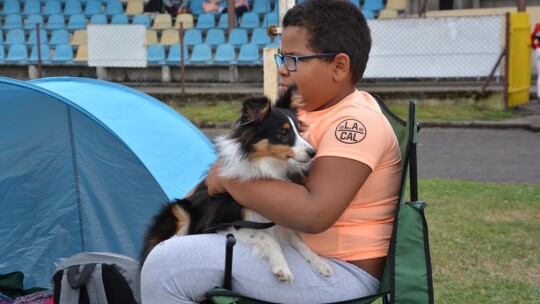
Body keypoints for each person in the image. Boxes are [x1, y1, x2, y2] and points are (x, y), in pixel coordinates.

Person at [140, 0, 402, 303]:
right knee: (165, 250)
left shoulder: (357, 123)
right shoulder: (307, 114)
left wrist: (228, 179)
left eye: (293, 59)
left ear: (339, 66)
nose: (281, 68)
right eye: (282, 57)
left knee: (168, 266)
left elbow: (314, 213)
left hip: (338, 273)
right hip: (290, 250)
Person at [532, 22, 540, 102]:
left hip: (539, 49)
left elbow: (532, 36)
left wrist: (534, 46)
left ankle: (539, 96)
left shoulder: (538, 25)